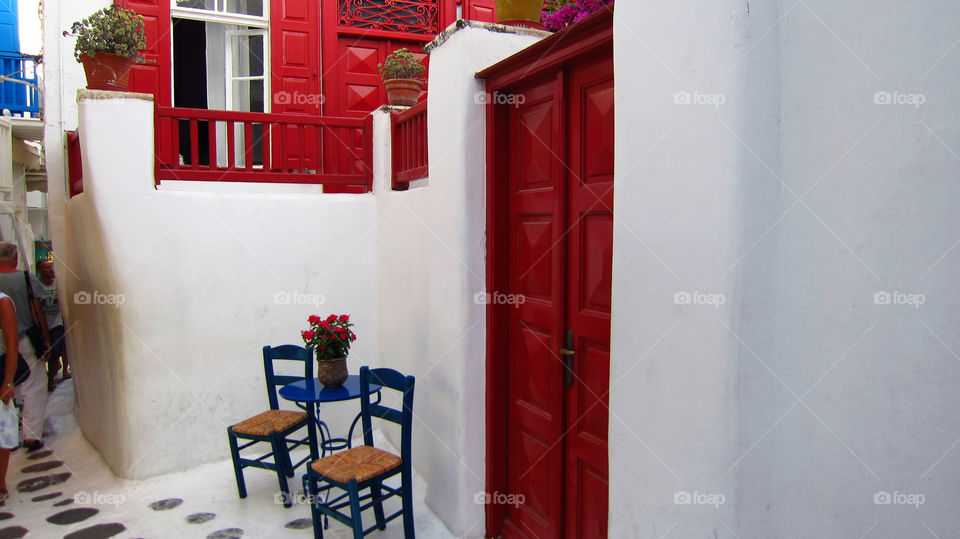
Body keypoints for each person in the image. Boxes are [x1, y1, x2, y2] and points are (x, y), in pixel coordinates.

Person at [0, 242, 49, 451]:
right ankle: (31, 436)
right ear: (15, 257)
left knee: (6, 387)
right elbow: (37, 309)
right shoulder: (26, 278)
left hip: (1, 345)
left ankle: (6, 438)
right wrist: (46, 339)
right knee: (34, 385)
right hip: (25, 338)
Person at [38, 259, 68, 391]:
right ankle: (51, 373)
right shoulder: (37, 286)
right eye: (46, 268)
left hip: (57, 323)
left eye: (51, 267)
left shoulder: (58, 284)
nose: (50, 270)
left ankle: (50, 380)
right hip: (41, 324)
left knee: (55, 352)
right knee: (46, 353)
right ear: (39, 271)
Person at [0, 292, 19, 503]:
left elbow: (12, 344)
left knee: (2, 429)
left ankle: (0, 483)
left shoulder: (3, 302)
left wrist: (8, 381)